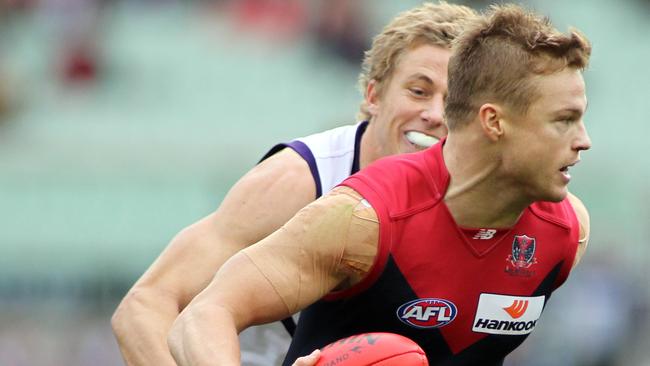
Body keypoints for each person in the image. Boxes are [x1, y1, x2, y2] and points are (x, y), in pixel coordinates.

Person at [167, 4, 593, 366]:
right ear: (493, 121)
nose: (583, 140)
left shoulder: (567, 231)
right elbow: (205, 314)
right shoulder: (364, 216)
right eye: (564, 120)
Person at [110, 3, 478, 365]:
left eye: (453, 101)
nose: (434, 115)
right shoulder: (300, 180)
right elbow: (143, 308)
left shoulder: (489, 193)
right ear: (374, 95)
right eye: (418, 91)